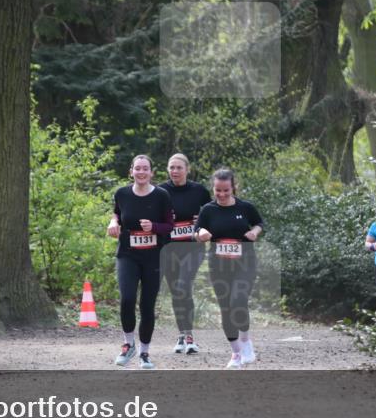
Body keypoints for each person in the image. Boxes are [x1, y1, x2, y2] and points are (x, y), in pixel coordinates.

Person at [107, 154, 174, 369]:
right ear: (131, 171)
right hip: (128, 254)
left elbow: (170, 226)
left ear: (152, 173)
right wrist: (112, 222)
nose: (141, 172)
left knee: (147, 305)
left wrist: (154, 227)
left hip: (154, 257)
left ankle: (145, 353)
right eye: (138, 168)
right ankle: (128, 345)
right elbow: (117, 214)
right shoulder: (122, 193)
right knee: (127, 299)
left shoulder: (162, 195)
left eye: (146, 168)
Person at [194, 168, 264, 369]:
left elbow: (259, 222)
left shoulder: (245, 207)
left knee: (238, 301)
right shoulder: (208, 210)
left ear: (234, 187)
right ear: (213, 189)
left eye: (226, 190)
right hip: (218, 265)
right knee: (226, 308)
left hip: (245, 263)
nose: (222, 195)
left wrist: (255, 232)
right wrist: (202, 234)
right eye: (218, 190)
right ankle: (235, 353)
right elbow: (196, 231)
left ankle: (245, 341)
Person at [159, 153, 211, 355]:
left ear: (187, 169)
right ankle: (182, 335)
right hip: (169, 249)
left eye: (179, 168)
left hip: (192, 248)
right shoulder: (160, 191)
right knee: (176, 291)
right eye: (171, 167)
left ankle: (189, 336)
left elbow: (211, 215)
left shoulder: (199, 191)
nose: (175, 171)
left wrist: (203, 224)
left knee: (184, 284)